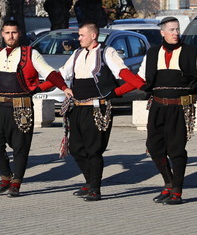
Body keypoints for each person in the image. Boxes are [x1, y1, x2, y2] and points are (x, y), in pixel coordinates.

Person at [0, 19, 67, 197]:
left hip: (22, 107)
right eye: (7, 32)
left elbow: (49, 73)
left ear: (20, 34)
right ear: (2, 34)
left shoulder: (31, 53)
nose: (11, 36)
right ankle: (5, 177)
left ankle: (16, 183)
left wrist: (61, 87)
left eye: (14, 32)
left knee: (20, 146)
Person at [55, 21, 143, 201]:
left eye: (81, 35)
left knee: (94, 149)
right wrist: (60, 87)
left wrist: (118, 92)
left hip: (97, 109)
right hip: (77, 108)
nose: (78, 38)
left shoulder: (106, 52)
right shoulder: (78, 53)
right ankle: (90, 181)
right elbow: (62, 73)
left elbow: (124, 73)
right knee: (76, 148)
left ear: (93, 35)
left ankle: (95, 188)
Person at [137, 16, 197, 205]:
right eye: (171, 30)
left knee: (176, 149)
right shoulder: (152, 53)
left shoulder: (191, 52)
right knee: (154, 147)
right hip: (157, 106)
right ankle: (168, 183)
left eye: (177, 29)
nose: (176, 33)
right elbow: (141, 77)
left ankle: (177, 190)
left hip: (179, 107)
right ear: (162, 32)